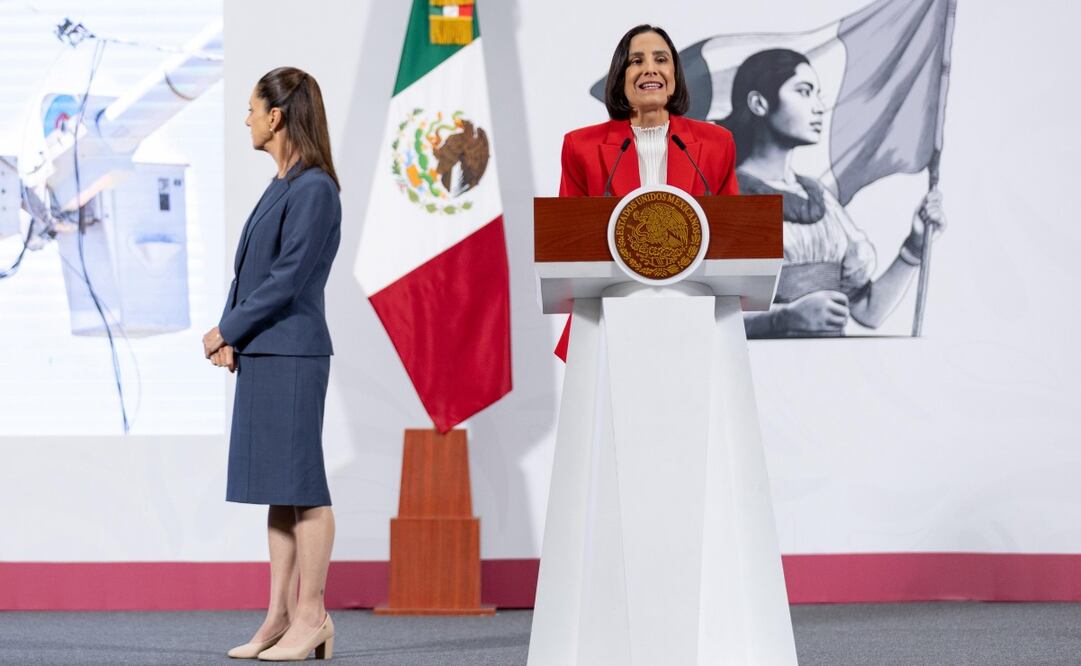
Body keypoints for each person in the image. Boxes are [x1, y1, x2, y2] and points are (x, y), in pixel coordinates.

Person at [202, 66, 341, 661]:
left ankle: (313, 617)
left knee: (304, 488)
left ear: (277, 116)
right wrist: (234, 331)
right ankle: (279, 616)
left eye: (253, 108)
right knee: (280, 492)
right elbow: (253, 271)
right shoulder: (284, 181)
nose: (247, 119)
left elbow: (287, 280)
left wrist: (226, 327)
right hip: (267, 349)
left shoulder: (313, 187)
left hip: (293, 350)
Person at [718, 48, 946, 337]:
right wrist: (784, 318)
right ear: (759, 103)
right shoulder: (732, 194)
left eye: (817, 94)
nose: (818, 107)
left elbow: (868, 311)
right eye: (804, 92)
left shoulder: (820, 197)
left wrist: (914, 246)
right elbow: (716, 321)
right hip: (766, 373)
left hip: (833, 370)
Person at [555, 24, 739, 358]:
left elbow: (737, 240)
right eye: (636, 61)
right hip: (608, 316)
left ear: (675, 75)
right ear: (620, 78)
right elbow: (567, 244)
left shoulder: (716, 144)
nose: (650, 68)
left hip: (695, 317)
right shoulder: (581, 147)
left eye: (661, 59)